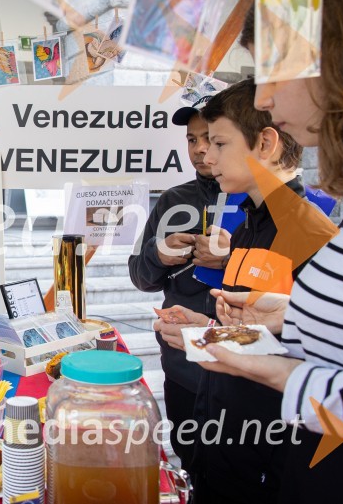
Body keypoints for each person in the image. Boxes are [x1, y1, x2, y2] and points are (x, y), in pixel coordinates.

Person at [199, 0, 343, 502]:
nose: (263, 98)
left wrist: (278, 373)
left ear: (338, 59)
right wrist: (285, 317)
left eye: (274, 69)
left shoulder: (305, 223)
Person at [129, 94, 227, 472]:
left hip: (242, 370)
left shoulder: (264, 203)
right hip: (183, 368)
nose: (200, 149)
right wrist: (158, 254)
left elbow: (285, 291)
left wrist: (233, 261)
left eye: (211, 138)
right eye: (192, 139)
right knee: (189, 460)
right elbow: (140, 276)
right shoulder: (173, 200)